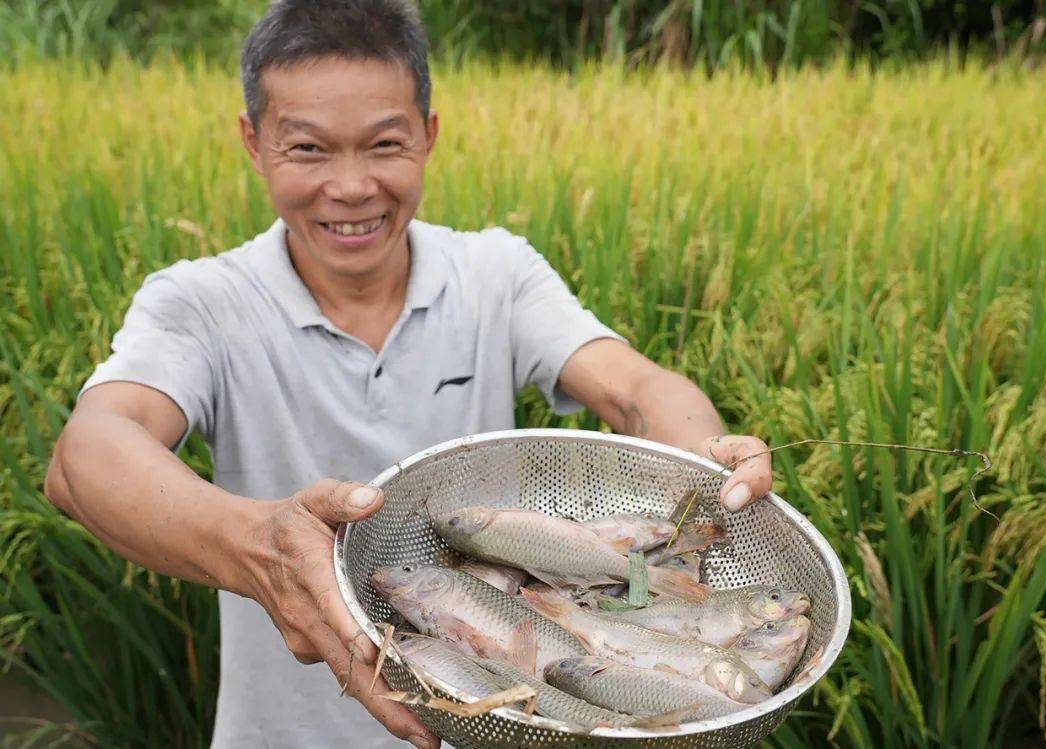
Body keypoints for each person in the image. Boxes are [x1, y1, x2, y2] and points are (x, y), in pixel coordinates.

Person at [43, 1, 774, 747]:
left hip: (496, 721)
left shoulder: (496, 275)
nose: (353, 186)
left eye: (383, 144)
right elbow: (87, 455)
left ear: (427, 136)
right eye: (309, 149)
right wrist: (258, 544)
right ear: (253, 142)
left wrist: (700, 468)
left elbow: (639, 389)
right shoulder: (202, 303)